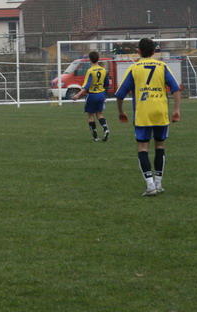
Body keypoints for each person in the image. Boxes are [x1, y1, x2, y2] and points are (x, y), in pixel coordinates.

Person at [115, 38, 181, 197]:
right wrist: (176, 109)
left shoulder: (134, 68)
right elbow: (176, 89)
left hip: (143, 113)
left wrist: (121, 111)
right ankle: (159, 183)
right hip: (160, 112)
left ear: (138, 51)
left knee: (143, 148)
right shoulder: (162, 66)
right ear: (154, 51)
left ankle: (150, 185)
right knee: (160, 146)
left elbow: (120, 94)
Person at [72, 51, 110, 142]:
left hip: (92, 95)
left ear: (90, 59)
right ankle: (106, 129)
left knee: (90, 116)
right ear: (98, 59)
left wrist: (77, 95)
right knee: (99, 114)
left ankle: (95, 137)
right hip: (101, 95)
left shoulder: (90, 71)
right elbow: (106, 84)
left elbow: (87, 86)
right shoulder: (103, 70)